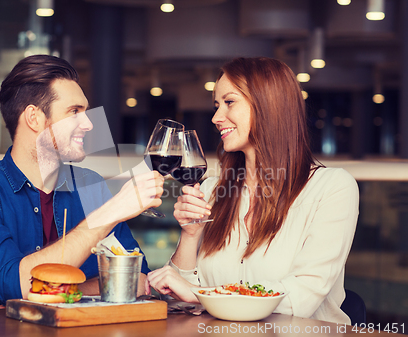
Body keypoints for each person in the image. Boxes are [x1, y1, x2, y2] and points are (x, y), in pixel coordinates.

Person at [146, 57, 359, 325]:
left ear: (269, 105)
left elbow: (300, 299)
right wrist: (190, 235)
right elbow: (179, 298)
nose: (216, 117)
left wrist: (203, 296)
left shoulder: (332, 188)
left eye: (229, 102)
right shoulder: (213, 190)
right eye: (216, 105)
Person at [0, 55, 164, 310]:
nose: (89, 123)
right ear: (34, 118)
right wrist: (111, 212)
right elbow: (14, 285)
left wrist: (55, 294)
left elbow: (138, 281)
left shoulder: (89, 185)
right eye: (74, 112)